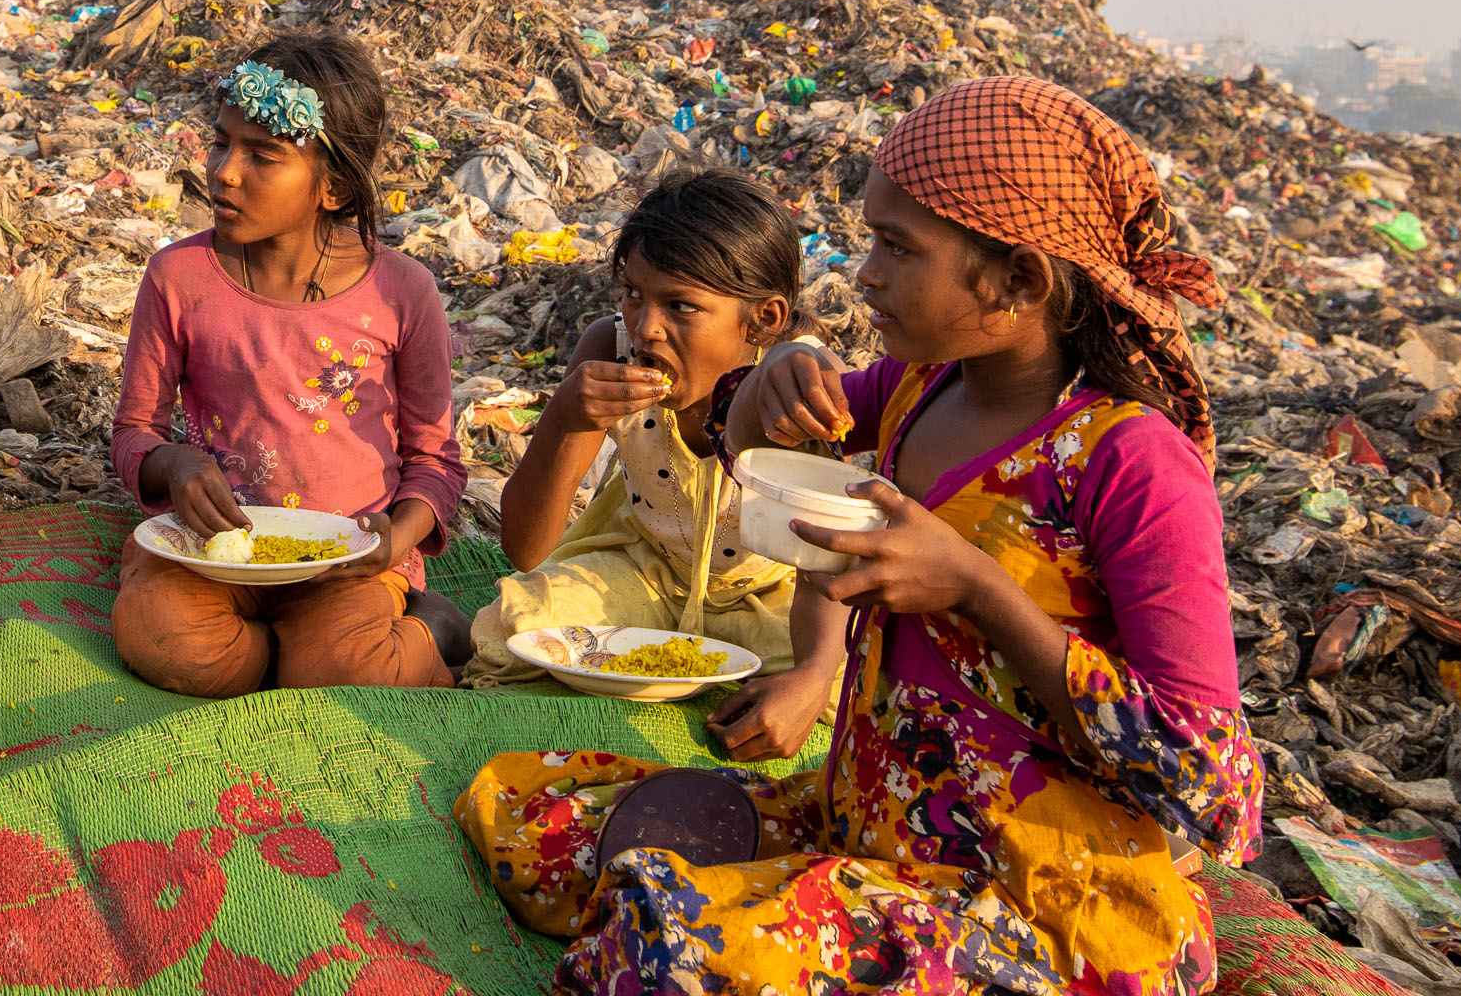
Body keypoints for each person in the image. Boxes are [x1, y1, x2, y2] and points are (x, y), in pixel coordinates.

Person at [458, 76, 1262, 996]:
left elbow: (1214, 786)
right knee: (541, 823)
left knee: (656, 960)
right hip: (875, 823)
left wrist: (976, 589)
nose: (865, 273)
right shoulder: (924, 389)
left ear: (1017, 280)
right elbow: (740, 431)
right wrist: (775, 378)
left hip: (1043, 903)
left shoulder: (1133, 465)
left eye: (895, 247)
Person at [109, 30, 467, 695]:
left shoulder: (400, 291)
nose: (224, 171)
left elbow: (435, 462)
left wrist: (395, 540)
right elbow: (135, 432)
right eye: (221, 142)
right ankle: (281, 654)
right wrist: (178, 466)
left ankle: (432, 627)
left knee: (345, 672)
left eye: (263, 156)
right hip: (213, 551)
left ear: (330, 188)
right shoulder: (178, 277)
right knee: (161, 634)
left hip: (345, 563)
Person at [466, 172, 844, 765]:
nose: (646, 328)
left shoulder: (797, 386)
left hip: (771, 598)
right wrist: (566, 416)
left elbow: (832, 547)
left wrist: (815, 673)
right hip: (645, 571)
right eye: (633, 294)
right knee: (513, 629)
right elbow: (528, 547)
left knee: (841, 685)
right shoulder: (607, 350)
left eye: (681, 306)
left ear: (764, 320)